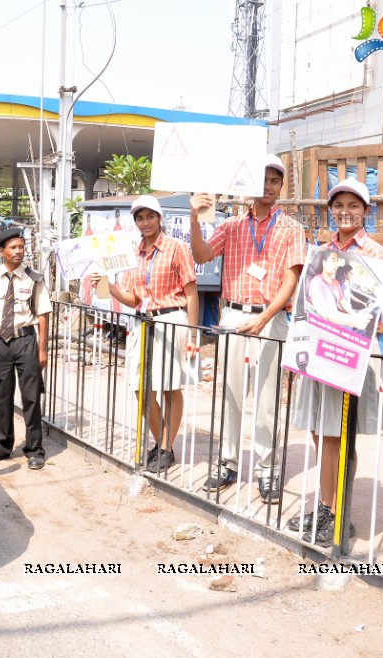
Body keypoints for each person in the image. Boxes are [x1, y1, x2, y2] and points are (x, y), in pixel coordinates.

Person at [188, 154, 306, 499]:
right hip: (235, 314)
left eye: (274, 181)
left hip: (270, 317)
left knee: (268, 397)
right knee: (231, 392)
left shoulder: (292, 228)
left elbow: (292, 278)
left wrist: (266, 317)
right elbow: (201, 256)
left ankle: (267, 469)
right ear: (251, 183)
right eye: (263, 179)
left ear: (281, 186)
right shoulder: (234, 224)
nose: (268, 186)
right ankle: (228, 462)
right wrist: (195, 219)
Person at [287, 178, 383, 547]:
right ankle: (327, 506)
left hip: (348, 353)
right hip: (317, 351)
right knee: (320, 432)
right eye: (339, 205)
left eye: (354, 205)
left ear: (366, 211)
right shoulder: (322, 253)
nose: (345, 211)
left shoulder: (376, 255)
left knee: (338, 435)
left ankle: (335, 511)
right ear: (331, 209)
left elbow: (370, 308)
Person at [91, 195, 199, 473]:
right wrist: (107, 285)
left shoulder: (176, 247)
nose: (145, 222)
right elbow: (133, 299)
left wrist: (192, 334)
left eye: (150, 216)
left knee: (169, 386)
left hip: (171, 319)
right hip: (142, 323)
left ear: (159, 218)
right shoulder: (133, 252)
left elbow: (191, 292)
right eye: (140, 218)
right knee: (140, 386)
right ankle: (163, 442)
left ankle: (165, 446)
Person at [0, 227, 53, 470]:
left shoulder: (34, 279)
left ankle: (35, 449)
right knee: (2, 396)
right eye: (13, 247)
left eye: (21, 247)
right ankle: (1, 446)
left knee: (30, 398)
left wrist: (42, 349)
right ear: (1, 252)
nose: (19, 251)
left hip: (25, 341)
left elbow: (42, 316)